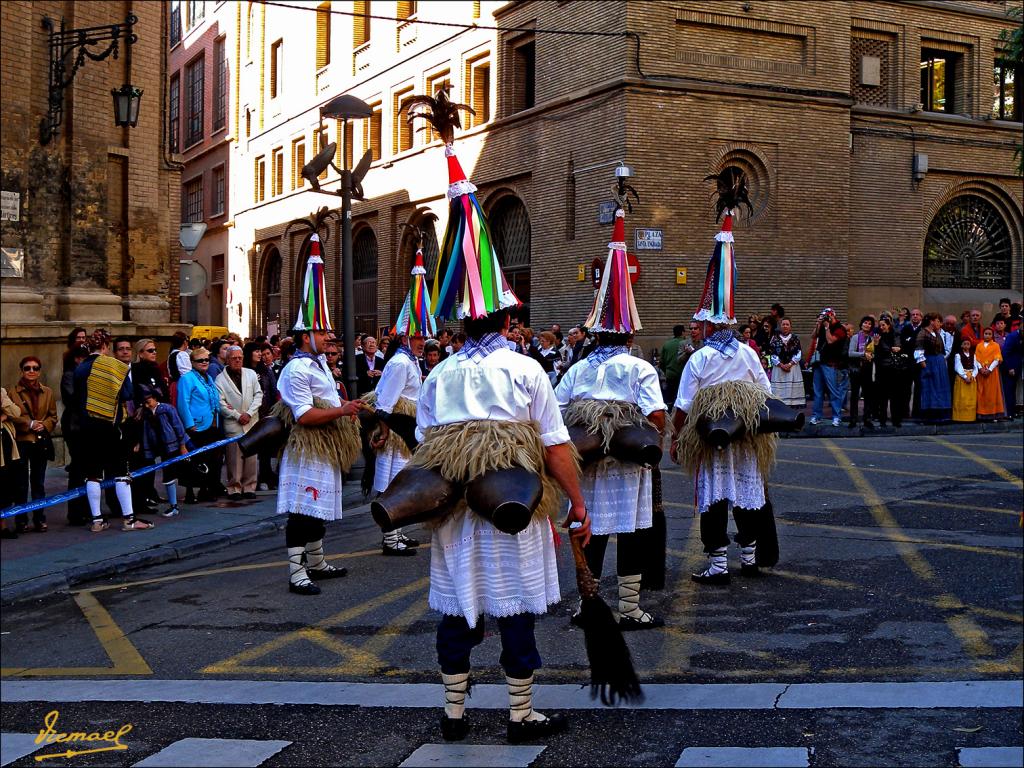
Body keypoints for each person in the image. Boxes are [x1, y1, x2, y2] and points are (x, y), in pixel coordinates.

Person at [406, 100, 589, 744]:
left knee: (460, 607)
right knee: (515, 609)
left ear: (463, 321)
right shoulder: (527, 371)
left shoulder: (439, 376)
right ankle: (519, 715)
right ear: (508, 320)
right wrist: (577, 503)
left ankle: (454, 715)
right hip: (514, 507)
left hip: (458, 511)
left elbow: (428, 447)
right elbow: (556, 446)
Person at [555, 205, 667, 630]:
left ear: (596, 331)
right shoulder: (637, 367)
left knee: (591, 528)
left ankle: (589, 605)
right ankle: (629, 608)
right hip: (627, 465)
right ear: (630, 333)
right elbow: (656, 415)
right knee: (633, 533)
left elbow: (557, 408)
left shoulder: (579, 368)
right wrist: (640, 438)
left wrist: (587, 436)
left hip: (585, 463)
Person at [671, 171, 775, 585]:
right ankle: (749, 559)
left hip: (711, 439)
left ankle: (717, 565)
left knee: (713, 500)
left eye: (700, 325)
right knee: (749, 496)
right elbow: (765, 394)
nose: (697, 330)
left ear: (707, 325)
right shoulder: (749, 352)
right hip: (745, 439)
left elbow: (682, 405)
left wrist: (677, 441)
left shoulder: (699, 360)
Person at [275, 234, 365, 595]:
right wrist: (342, 410)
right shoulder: (298, 370)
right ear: (304, 334)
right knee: (303, 510)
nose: (328, 335)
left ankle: (317, 562)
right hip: (309, 446)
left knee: (319, 507)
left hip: (325, 447)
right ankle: (297, 574)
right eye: (321, 330)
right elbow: (303, 416)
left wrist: (347, 411)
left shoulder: (319, 364)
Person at [370, 248, 432, 555]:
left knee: (402, 481)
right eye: (418, 338)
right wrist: (384, 431)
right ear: (406, 337)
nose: (422, 342)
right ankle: (389, 538)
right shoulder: (399, 363)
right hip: (397, 432)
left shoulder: (412, 362)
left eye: (424, 338)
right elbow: (384, 402)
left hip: (406, 429)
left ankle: (397, 532)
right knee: (392, 483)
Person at [75, 332, 153, 532]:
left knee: (92, 475)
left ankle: (97, 521)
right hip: (111, 426)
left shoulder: (80, 368)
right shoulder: (114, 366)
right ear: (106, 347)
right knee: (120, 473)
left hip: (87, 427)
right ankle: (129, 520)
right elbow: (127, 394)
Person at [9, 356, 58, 533]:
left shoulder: (48, 392)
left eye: (35, 368)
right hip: (22, 442)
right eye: (27, 368)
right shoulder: (12, 392)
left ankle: (39, 518)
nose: (31, 371)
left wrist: (44, 425)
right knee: (20, 484)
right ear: (21, 370)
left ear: (39, 371)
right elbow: (11, 415)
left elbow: (53, 416)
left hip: (40, 442)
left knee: (39, 483)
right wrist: (29, 424)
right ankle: (21, 520)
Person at [176, 348, 223, 503]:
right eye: (200, 360)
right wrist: (189, 424)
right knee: (194, 459)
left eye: (206, 360)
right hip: (196, 426)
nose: (204, 363)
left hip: (212, 424)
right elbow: (183, 402)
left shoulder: (208, 378)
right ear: (192, 362)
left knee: (210, 459)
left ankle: (205, 489)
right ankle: (190, 492)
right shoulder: (187, 379)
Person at [216, 345, 263, 500]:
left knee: (251, 459)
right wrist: (237, 415)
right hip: (234, 424)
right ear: (227, 359)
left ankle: (249, 487)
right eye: (234, 358)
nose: (237, 360)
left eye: (240, 358)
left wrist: (249, 413)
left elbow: (258, 395)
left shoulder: (251, 374)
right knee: (234, 458)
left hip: (251, 422)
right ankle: (234, 488)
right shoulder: (220, 379)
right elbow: (220, 404)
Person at [139, 388, 192, 517]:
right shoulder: (146, 414)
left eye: (149, 401)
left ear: (155, 398)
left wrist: (182, 445)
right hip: (161, 447)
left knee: (172, 473)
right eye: (144, 402)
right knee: (168, 475)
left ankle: (174, 505)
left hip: (172, 445)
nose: (147, 404)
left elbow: (178, 426)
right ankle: (173, 505)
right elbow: (146, 434)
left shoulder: (166, 409)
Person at [808, 307, 849, 426]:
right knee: (817, 392)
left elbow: (831, 341)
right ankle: (816, 416)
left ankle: (836, 416)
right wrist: (818, 324)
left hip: (831, 363)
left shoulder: (840, 329)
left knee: (833, 391)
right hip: (819, 362)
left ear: (832, 316)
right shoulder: (822, 325)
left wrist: (826, 327)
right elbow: (813, 336)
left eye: (826, 316)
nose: (825, 318)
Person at [250, 342, 280, 489]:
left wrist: (274, 409)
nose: (260, 354)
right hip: (250, 414)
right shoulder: (245, 370)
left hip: (266, 411)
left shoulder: (266, 371)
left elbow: (274, 390)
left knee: (265, 449)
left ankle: (266, 476)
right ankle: (251, 480)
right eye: (256, 350)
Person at [914, 312, 951, 423]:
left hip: (939, 363)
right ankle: (930, 415)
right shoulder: (923, 333)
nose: (940, 324)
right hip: (930, 362)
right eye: (938, 321)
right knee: (930, 388)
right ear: (931, 321)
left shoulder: (937, 333)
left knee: (940, 387)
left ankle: (941, 414)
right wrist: (925, 368)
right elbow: (918, 352)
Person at [768, 318, 805, 407]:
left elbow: (798, 353)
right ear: (780, 326)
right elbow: (772, 353)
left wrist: (789, 364)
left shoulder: (795, 338)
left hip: (792, 368)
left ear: (790, 327)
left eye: (787, 324)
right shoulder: (774, 338)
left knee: (792, 391)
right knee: (779, 393)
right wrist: (781, 365)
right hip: (779, 369)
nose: (785, 326)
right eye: (783, 324)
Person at [847, 316, 876, 428]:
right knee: (855, 395)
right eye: (865, 323)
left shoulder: (873, 338)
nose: (867, 325)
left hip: (868, 369)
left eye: (869, 323)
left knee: (868, 395)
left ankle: (867, 419)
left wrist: (871, 355)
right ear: (861, 324)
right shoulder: (855, 337)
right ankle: (853, 419)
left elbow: (875, 353)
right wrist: (863, 354)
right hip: (857, 369)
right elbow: (850, 353)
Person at [1, 388, 22, 539]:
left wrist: (2, 398)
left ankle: (2, 526)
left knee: (4, 486)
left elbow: (16, 412)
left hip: (6, 448)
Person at [974, 327, 1005, 421]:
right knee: (981, 392)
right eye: (985, 334)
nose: (987, 336)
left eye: (989, 334)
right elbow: (976, 358)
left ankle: (992, 413)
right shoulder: (979, 345)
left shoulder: (995, 345)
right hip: (981, 373)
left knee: (992, 393)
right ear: (983, 335)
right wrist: (980, 368)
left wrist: (990, 369)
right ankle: (981, 414)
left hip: (992, 373)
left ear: (992, 335)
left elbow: (997, 358)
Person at [952, 339, 980, 423]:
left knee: (970, 398)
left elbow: (976, 367)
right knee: (961, 397)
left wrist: (973, 375)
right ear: (961, 345)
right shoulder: (958, 355)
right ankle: (960, 417)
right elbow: (958, 367)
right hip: (962, 377)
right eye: (964, 344)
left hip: (971, 376)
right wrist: (965, 376)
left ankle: (970, 417)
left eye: (968, 344)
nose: (966, 346)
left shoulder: (973, 355)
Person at [1000, 321, 1022, 418]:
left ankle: (1012, 411)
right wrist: (1010, 367)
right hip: (1010, 368)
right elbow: (1005, 353)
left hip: (1017, 367)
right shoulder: (1012, 337)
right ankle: (1009, 413)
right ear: (1021, 326)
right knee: (1009, 390)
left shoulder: (1020, 336)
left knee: (1013, 390)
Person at [659, 324, 686, 402]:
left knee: (670, 398)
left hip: (670, 375)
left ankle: (670, 412)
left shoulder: (667, 344)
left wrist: (666, 371)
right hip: (682, 375)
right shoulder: (686, 343)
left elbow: (661, 362)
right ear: (683, 332)